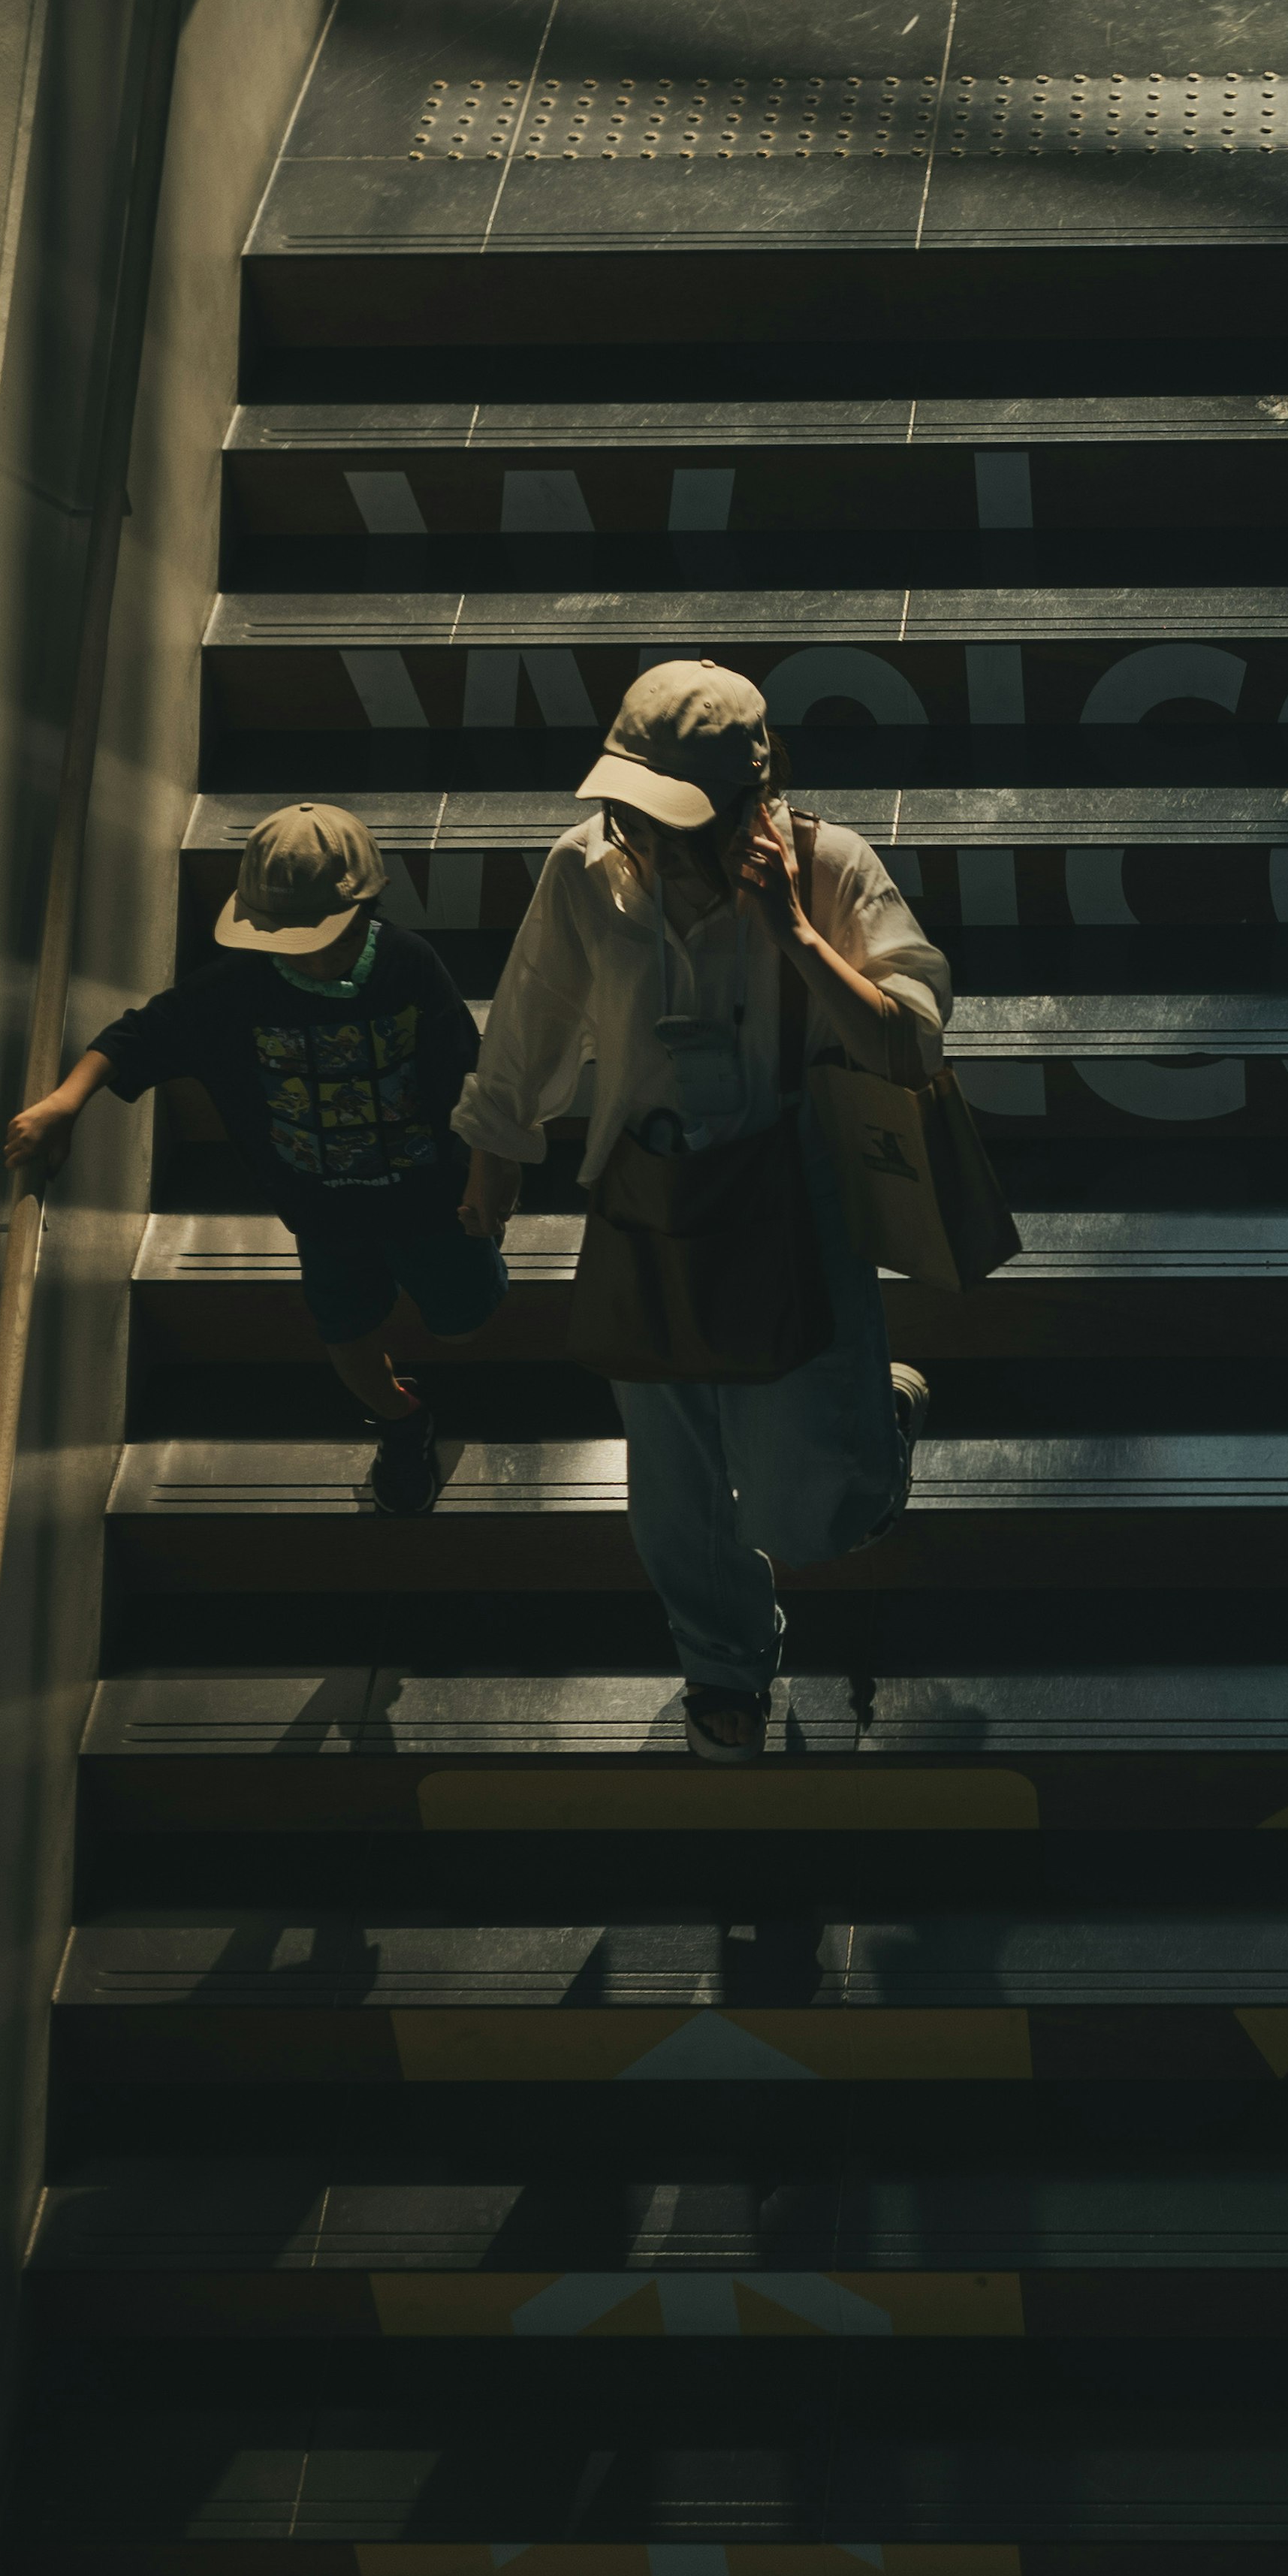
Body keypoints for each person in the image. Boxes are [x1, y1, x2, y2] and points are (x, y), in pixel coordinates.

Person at [452, 658, 946, 1757]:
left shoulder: (827, 868)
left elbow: (912, 1045)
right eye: (633, 811)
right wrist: (496, 1146)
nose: (650, 839)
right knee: (672, 1489)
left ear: (752, 801)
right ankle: (723, 1663)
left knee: (805, 1514)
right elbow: (531, 1011)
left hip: (788, 1196)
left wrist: (795, 936)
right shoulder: (587, 871)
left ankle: (880, 1427)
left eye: (676, 819)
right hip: (644, 1198)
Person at [5, 798, 505, 1515]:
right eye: (286, 935)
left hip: (430, 1198)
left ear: (365, 909)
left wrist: (486, 1169)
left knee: (465, 1316)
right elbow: (137, 1035)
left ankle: (430, 1352)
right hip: (323, 1211)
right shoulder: (236, 988)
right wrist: (64, 1103)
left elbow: (469, 1070)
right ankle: (402, 1420)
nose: (302, 951)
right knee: (345, 1332)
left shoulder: (408, 965)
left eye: (321, 934)